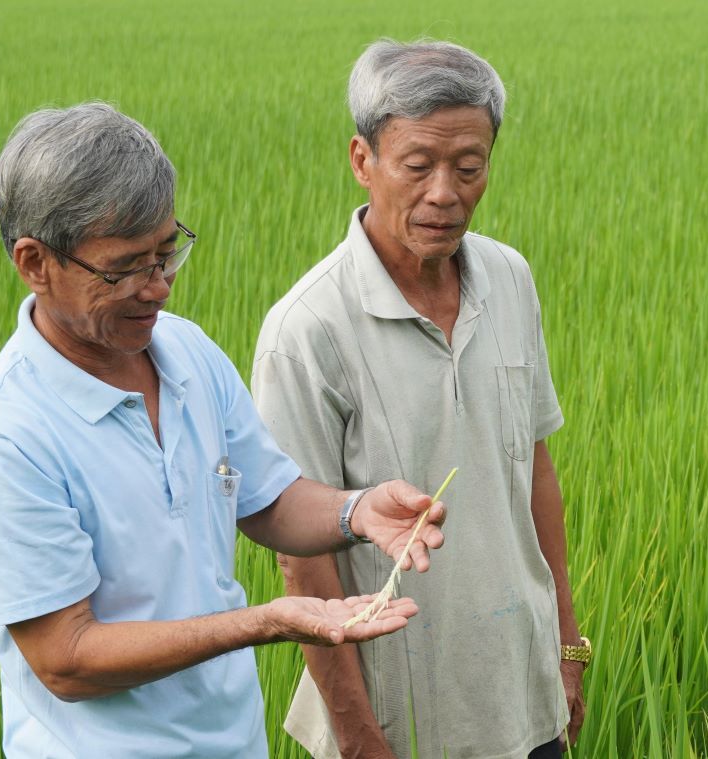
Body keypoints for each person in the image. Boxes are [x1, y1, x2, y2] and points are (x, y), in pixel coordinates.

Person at [0, 102, 447, 758]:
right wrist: (263, 622)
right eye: (124, 267)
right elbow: (66, 658)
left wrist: (357, 509)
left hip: (233, 742)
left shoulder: (185, 352)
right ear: (35, 262)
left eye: (167, 252)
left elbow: (266, 496)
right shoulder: (4, 442)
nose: (159, 288)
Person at [252, 40, 588, 758]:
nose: (444, 192)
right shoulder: (307, 329)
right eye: (417, 166)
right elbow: (300, 556)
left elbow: (532, 467)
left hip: (524, 695)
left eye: (468, 168)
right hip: (401, 718)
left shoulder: (508, 278)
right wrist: (358, 736)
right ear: (361, 160)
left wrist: (566, 646)